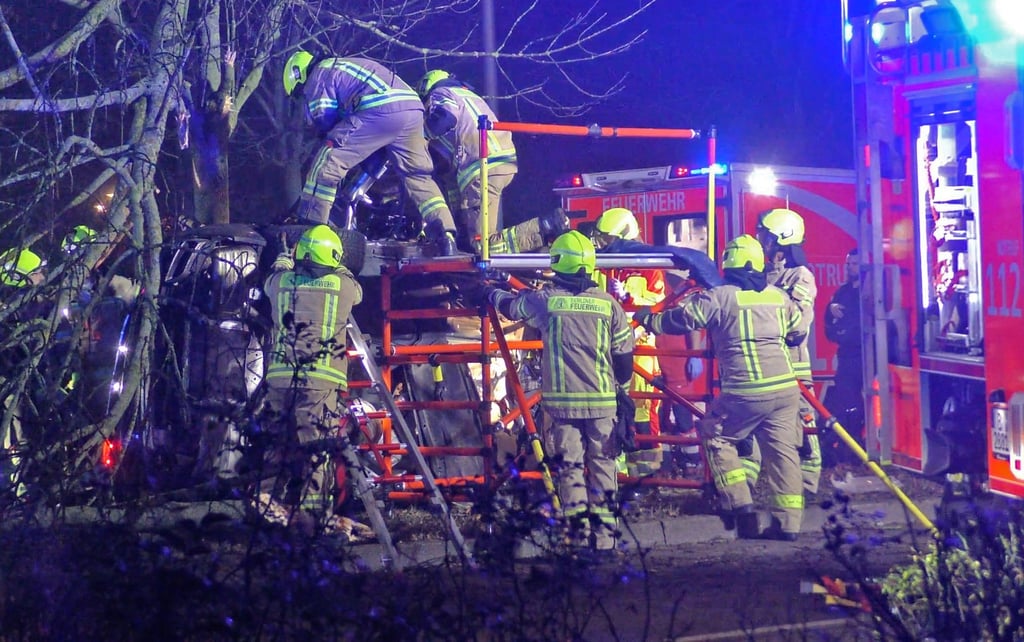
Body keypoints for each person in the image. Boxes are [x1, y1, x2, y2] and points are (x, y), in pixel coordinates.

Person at [633, 234, 805, 541]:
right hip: (786, 390)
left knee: (716, 435)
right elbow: (797, 330)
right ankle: (788, 524)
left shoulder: (722, 296)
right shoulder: (778, 297)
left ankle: (740, 507)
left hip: (745, 390)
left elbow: (682, 319)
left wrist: (649, 320)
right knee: (783, 454)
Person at [487, 230, 635, 553]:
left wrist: (488, 293)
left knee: (570, 472)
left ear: (558, 263)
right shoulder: (609, 306)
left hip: (562, 407)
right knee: (604, 470)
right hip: (603, 405)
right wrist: (622, 394)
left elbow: (512, 307)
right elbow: (624, 358)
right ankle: (607, 540)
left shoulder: (547, 301)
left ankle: (579, 541)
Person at [282, 51, 459, 256]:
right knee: (418, 176)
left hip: (379, 108)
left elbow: (323, 116)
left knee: (329, 159)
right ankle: (445, 235)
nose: (303, 97)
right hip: (412, 110)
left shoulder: (320, 73)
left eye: (300, 94)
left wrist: (329, 139)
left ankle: (311, 224)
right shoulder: (344, 67)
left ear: (299, 75)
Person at [259, 224, 363, 534]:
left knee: (274, 449)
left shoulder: (280, 283)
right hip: (319, 384)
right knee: (316, 452)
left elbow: (272, 278)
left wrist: (284, 259)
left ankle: (265, 516)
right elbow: (354, 286)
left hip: (280, 380)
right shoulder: (342, 287)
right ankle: (309, 523)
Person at [749, 208, 822, 497]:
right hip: (764, 364)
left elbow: (797, 327)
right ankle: (747, 490)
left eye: (765, 235)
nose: (760, 240)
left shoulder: (800, 276)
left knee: (804, 426)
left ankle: (809, 487)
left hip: (794, 365)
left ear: (781, 240)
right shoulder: (762, 274)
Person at [591, 208, 666, 481]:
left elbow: (659, 303)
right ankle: (620, 474)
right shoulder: (603, 262)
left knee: (644, 411)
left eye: (607, 238)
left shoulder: (650, 264)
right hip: (609, 346)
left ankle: (647, 476)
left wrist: (631, 295)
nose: (602, 243)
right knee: (613, 409)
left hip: (641, 349)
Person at [416, 70, 517, 252]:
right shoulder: (468, 96)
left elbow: (446, 117)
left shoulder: (442, 92)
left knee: (482, 245)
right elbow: (448, 168)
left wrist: (419, 137)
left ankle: (544, 227)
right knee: (475, 240)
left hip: (482, 166)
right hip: (500, 162)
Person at [823, 248, 864, 462]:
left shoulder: (870, 292)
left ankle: (859, 447)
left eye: (854, 264)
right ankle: (848, 448)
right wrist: (830, 311)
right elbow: (830, 327)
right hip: (847, 356)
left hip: (867, 356)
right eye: (848, 264)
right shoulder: (842, 293)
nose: (850, 268)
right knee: (846, 399)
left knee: (861, 404)